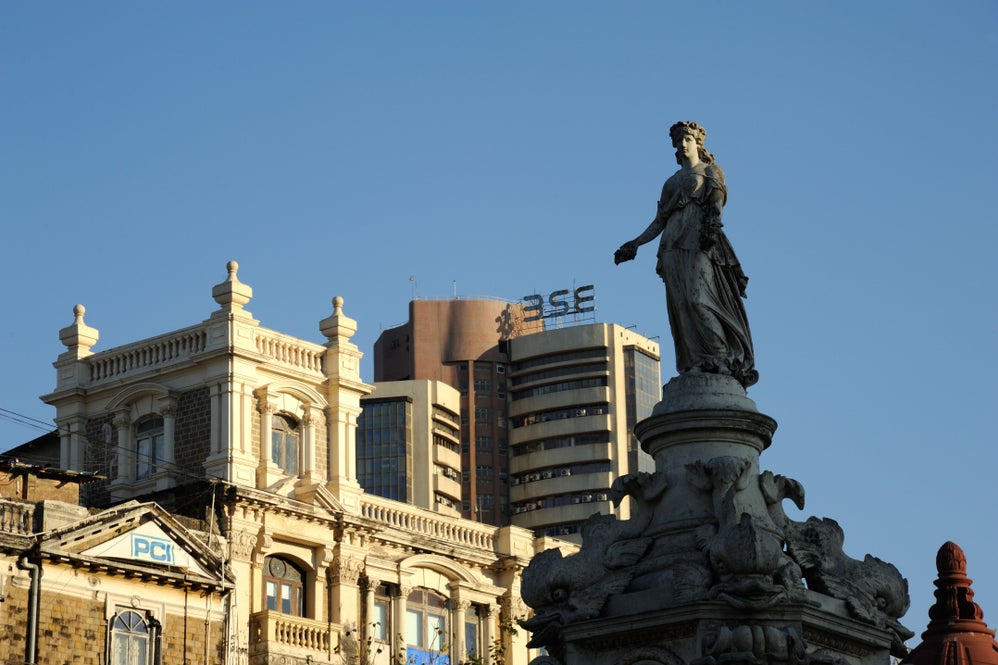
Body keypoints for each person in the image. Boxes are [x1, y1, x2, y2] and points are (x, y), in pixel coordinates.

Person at [614, 121, 757, 388]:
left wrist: (712, 228)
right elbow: (659, 221)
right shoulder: (670, 182)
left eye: (687, 139)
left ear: (698, 143)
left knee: (698, 299)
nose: (682, 144)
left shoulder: (711, 171)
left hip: (698, 242)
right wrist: (635, 243)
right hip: (671, 246)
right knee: (681, 306)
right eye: (679, 140)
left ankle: (721, 360)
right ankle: (695, 363)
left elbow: (716, 205)